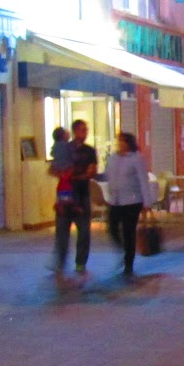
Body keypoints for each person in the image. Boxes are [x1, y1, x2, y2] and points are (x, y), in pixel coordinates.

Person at [103, 131, 159, 277]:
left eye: (123, 141)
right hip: (115, 201)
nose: (120, 144)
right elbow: (107, 175)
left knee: (129, 232)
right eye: (119, 141)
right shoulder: (113, 158)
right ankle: (122, 249)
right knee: (112, 228)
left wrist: (147, 202)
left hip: (132, 201)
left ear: (129, 143)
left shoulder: (136, 159)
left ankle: (129, 264)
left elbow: (143, 181)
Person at [53, 119, 98, 275]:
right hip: (65, 196)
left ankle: (80, 263)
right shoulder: (64, 148)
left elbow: (92, 171)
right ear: (74, 131)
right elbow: (54, 168)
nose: (85, 133)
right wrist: (64, 174)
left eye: (86, 130)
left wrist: (77, 175)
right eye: (82, 130)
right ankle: (60, 262)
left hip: (82, 195)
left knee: (84, 232)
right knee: (62, 231)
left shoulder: (89, 151)